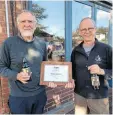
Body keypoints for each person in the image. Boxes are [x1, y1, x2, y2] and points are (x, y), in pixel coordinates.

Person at [0, 10, 48, 114]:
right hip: (18, 97)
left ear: (35, 25)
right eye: (23, 21)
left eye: (30, 21)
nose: (27, 24)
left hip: (40, 94)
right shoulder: (8, 43)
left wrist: (51, 79)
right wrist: (16, 75)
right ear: (18, 25)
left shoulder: (42, 43)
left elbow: (45, 66)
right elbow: (1, 67)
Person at [71, 17, 112, 114]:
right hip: (79, 95)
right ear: (80, 32)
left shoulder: (106, 49)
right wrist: (71, 79)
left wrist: (101, 71)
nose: (87, 31)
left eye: (90, 28)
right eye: (83, 29)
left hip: (99, 97)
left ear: (95, 29)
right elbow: (72, 71)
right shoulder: (76, 51)